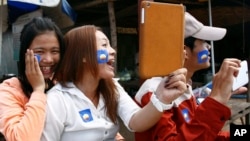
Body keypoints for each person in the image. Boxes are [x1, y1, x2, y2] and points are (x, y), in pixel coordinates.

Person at [40, 25, 188, 141]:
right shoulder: (57, 99)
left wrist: (162, 98)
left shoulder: (112, 87)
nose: (113, 51)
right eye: (104, 45)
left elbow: (135, 121)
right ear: (83, 56)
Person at [134, 12, 248, 141]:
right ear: (184, 51)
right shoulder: (155, 92)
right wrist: (216, 100)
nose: (209, 46)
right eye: (203, 41)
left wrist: (243, 133)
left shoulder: (184, 87)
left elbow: (201, 133)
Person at [0, 17, 65, 141]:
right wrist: (38, 90)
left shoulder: (63, 84)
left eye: (55, 51)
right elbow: (23, 138)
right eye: (40, 51)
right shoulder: (8, 90)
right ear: (24, 53)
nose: (49, 59)